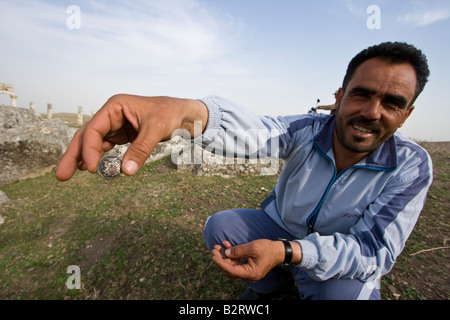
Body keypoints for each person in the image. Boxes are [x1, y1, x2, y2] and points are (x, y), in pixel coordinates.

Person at [55, 42, 432, 300]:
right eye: (361, 94)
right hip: (282, 227)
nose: (372, 112)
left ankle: (295, 274)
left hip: (330, 254)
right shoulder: (306, 130)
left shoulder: (411, 166)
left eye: (393, 103)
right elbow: (255, 131)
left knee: (343, 294)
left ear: (407, 114)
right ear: (339, 97)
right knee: (219, 227)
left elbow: (372, 250)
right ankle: (267, 286)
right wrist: (187, 113)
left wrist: (289, 252)